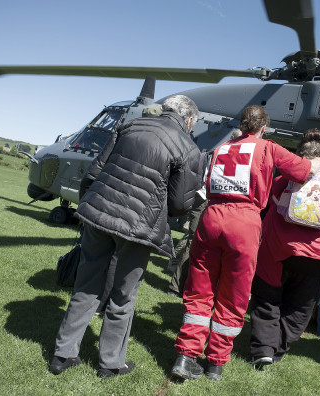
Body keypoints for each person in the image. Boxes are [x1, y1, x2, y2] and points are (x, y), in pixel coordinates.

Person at [49, 95, 202, 378]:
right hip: (138, 226)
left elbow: (95, 170)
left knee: (86, 285)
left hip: (99, 213)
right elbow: (181, 204)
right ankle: (110, 363)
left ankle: (63, 354)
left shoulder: (129, 126)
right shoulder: (189, 148)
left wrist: (89, 205)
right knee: (123, 296)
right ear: (189, 119)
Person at [171, 106, 320, 382]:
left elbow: (207, 184)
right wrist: (319, 163)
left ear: (242, 125)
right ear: (263, 128)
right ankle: (215, 364)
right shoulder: (268, 148)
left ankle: (186, 356)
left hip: (211, 217)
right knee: (233, 296)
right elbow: (302, 171)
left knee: (199, 289)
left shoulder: (220, 149)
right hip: (243, 223)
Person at [249, 128, 320, 369]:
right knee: (301, 305)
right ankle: (278, 346)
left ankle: (263, 349)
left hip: (280, 248)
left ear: (299, 153)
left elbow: (266, 199)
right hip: (318, 253)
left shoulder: (287, 176)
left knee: (267, 297)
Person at [167, 129, 243, 297]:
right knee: (193, 242)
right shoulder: (223, 152)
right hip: (204, 199)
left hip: (209, 200)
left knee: (194, 241)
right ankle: (177, 286)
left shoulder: (221, 151)